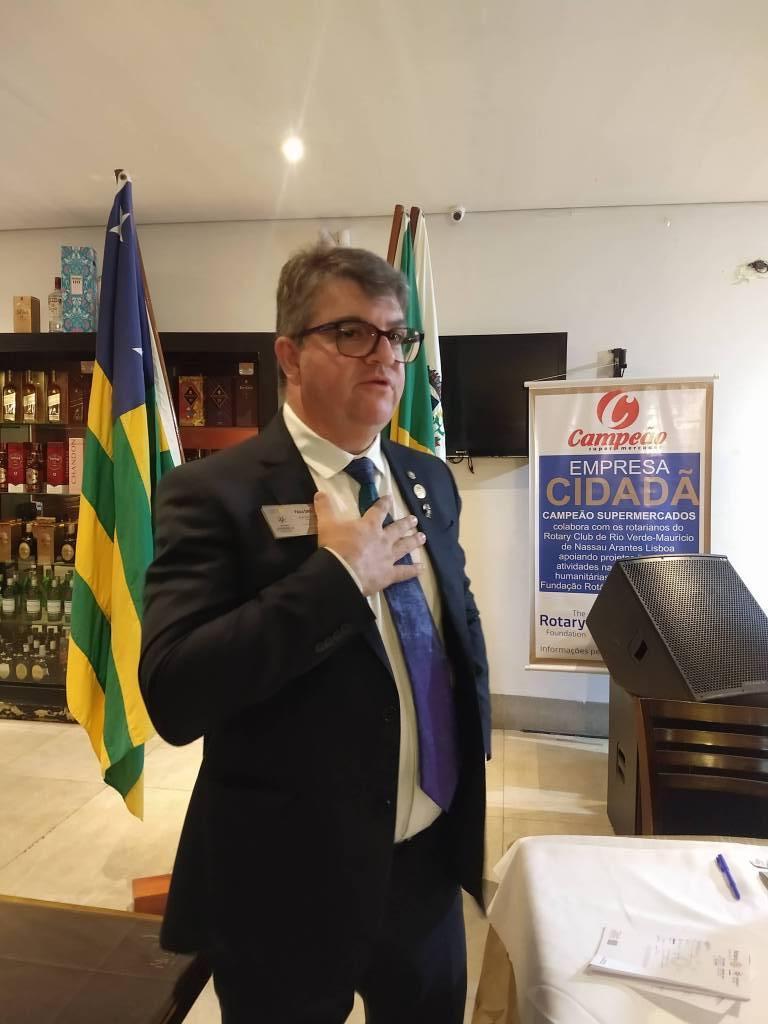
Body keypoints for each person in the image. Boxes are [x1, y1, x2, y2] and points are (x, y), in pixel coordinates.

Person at [139, 244, 490, 1024]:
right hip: (286, 888)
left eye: (397, 336)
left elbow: (458, 631)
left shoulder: (428, 480)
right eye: (354, 332)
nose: (385, 355)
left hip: (426, 868)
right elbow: (174, 692)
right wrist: (336, 579)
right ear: (290, 355)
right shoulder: (214, 493)